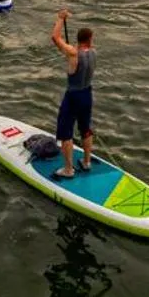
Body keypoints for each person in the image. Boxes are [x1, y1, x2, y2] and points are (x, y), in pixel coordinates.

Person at [50, 9, 94, 179]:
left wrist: (61, 18)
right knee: (85, 129)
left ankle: (68, 170)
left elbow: (55, 38)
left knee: (65, 132)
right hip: (87, 95)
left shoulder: (73, 53)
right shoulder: (93, 52)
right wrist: (68, 51)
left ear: (78, 40)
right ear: (90, 40)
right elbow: (77, 49)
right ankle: (86, 161)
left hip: (73, 97)